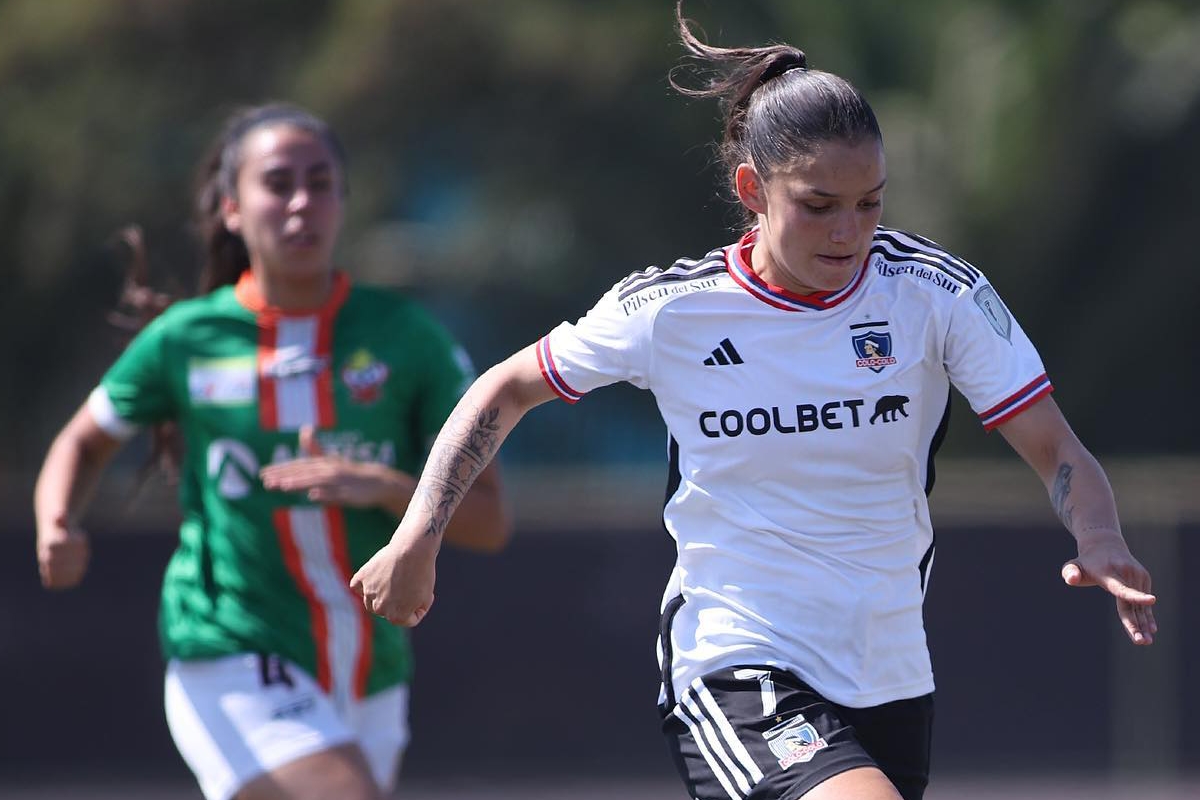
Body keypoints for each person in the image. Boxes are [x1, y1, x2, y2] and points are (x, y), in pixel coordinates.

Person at [349, 4, 1158, 800]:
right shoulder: (672, 311)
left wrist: (1100, 534)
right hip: (736, 660)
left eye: (870, 203)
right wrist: (419, 535)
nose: (850, 231)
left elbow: (1057, 449)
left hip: (890, 670)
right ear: (753, 189)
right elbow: (505, 385)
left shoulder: (933, 293)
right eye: (818, 204)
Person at [34, 102, 511, 800]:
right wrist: (56, 523)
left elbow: (491, 523)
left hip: (370, 670)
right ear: (231, 208)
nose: (300, 203)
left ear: (343, 201)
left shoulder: (408, 338)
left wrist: (383, 486)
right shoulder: (186, 339)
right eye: (277, 182)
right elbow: (83, 438)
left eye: (320, 183)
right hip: (230, 651)